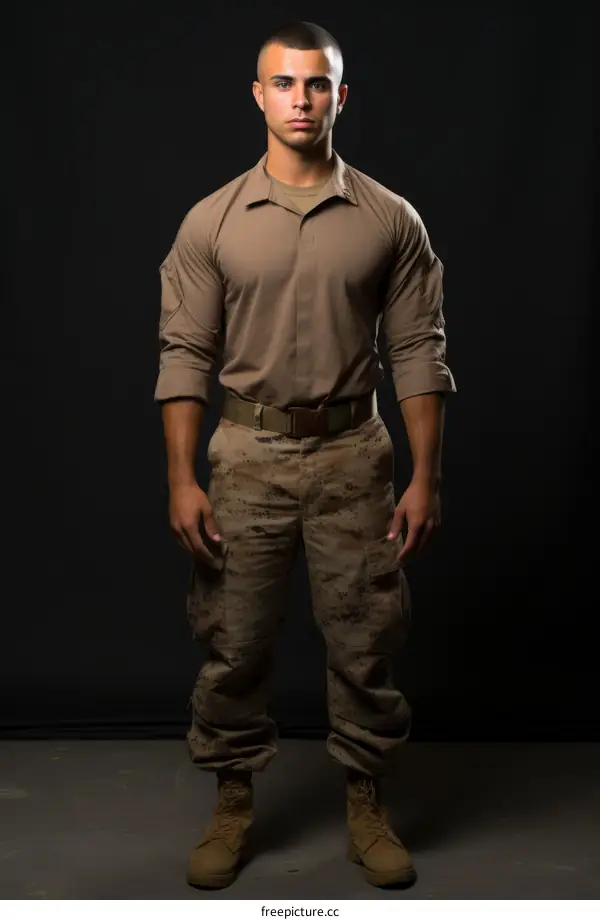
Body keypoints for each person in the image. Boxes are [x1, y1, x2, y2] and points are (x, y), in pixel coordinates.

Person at [154, 20, 456, 890]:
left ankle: (366, 803)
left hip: (354, 455)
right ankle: (233, 800)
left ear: (340, 96)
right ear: (258, 96)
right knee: (234, 640)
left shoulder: (390, 219)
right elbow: (184, 352)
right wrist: (181, 478)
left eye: (316, 83)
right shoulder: (211, 221)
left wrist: (426, 477)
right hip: (245, 456)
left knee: (366, 639)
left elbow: (418, 350)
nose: (300, 99)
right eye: (283, 83)